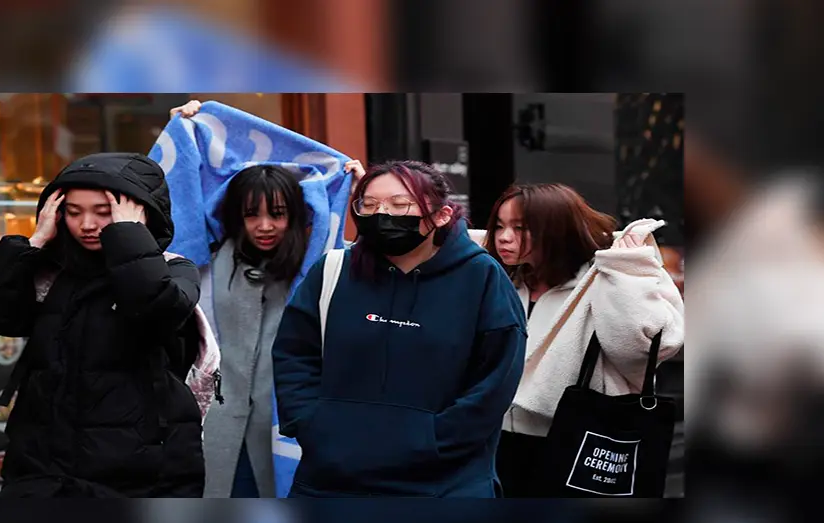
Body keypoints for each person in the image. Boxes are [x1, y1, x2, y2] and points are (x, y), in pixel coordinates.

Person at [272, 160, 527, 498]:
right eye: (370, 204)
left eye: (399, 204)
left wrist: (432, 440)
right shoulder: (334, 271)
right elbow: (294, 353)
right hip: (332, 481)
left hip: (444, 485)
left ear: (441, 215)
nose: (382, 214)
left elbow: (495, 380)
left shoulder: (481, 278)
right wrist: (314, 426)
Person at [0, 152, 210, 498]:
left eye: (104, 212)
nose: (87, 225)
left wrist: (127, 235)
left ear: (141, 213)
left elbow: (157, 310)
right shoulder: (52, 271)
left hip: (142, 471)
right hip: (42, 469)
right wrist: (33, 243)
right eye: (73, 212)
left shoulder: (173, 269)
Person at [169, 99, 364, 498]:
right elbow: (177, 204)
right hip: (211, 429)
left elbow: (372, 264)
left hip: (291, 430)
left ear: (295, 216)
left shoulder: (319, 269)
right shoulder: (203, 263)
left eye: (277, 213)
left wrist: (359, 200)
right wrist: (182, 131)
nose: (265, 226)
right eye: (251, 214)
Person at [476, 183, 686, 497]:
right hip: (497, 441)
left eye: (520, 228)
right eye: (500, 226)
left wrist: (626, 272)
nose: (504, 237)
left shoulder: (611, 274)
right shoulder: (505, 277)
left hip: (582, 440)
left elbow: (648, 347)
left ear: (557, 229)